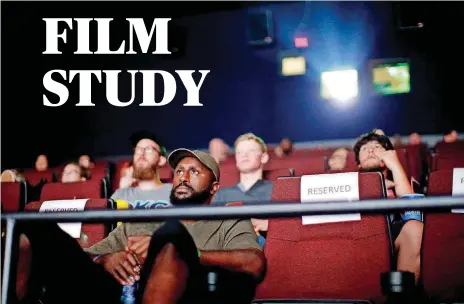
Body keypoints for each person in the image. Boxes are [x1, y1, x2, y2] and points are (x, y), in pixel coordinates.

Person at [15, 149, 265, 304]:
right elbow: (88, 257)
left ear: (214, 187)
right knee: (36, 226)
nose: (183, 177)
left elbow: (254, 263)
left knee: (170, 234)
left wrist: (190, 253)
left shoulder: (229, 219)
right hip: (112, 294)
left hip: (185, 293)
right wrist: (105, 259)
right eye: (178, 171)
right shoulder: (142, 220)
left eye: (194, 171)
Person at [353, 132, 423, 284]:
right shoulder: (349, 185)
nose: (371, 150)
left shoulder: (398, 184)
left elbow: (410, 207)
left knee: (414, 227)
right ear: (358, 163)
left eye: (377, 147)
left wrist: (394, 164)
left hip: (390, 238)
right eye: (365, 149)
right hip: (355, 237)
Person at [212, 133, 271, 241]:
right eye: (239, 152)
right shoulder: (222, 194)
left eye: (251, 150)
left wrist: (266, 224)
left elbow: (292, 226)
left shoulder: (277, 190)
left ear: (264, 157)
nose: (244, 155)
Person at [111, 131, 172, 209]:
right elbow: (113, 219)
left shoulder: (174, 192)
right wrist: (123, 190)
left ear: (161, 160)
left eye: (148, 149)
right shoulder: (121, 193)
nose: (141, 153)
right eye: (138, 149)